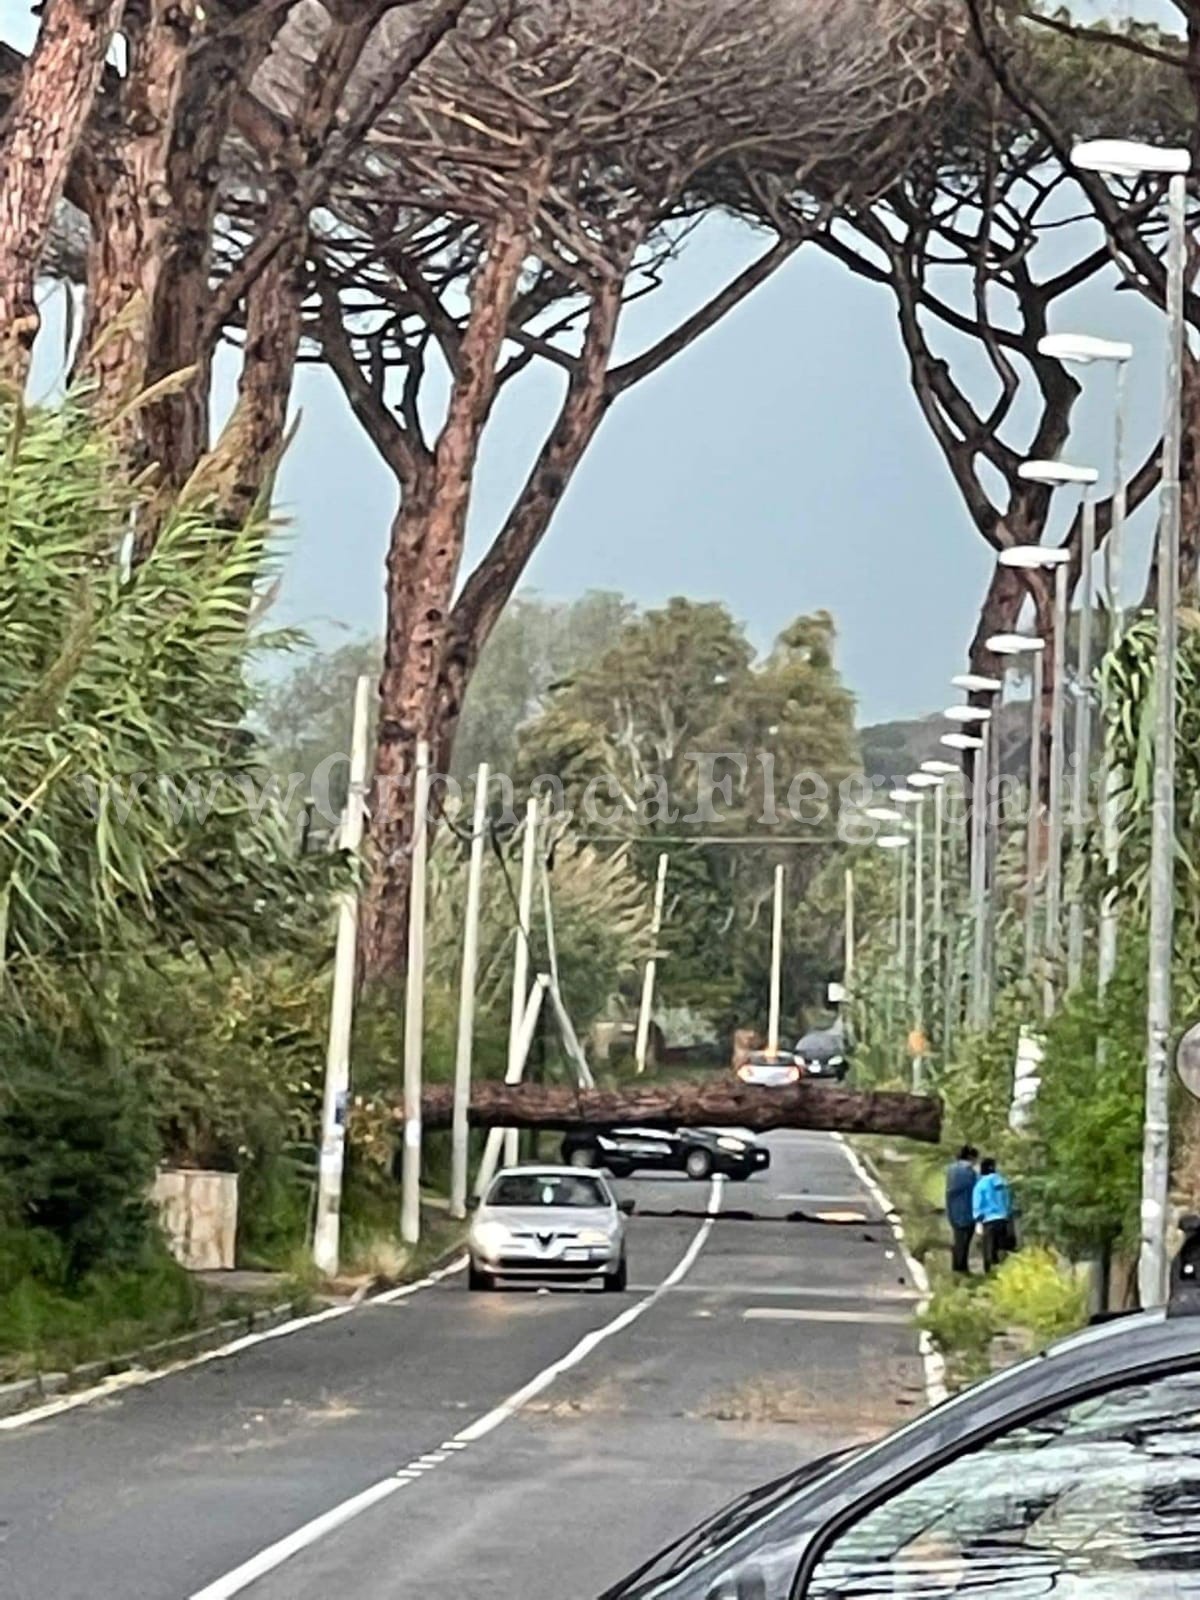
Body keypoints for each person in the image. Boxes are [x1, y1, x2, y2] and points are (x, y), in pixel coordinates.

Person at [974, 1156, 1014, 1273]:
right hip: (1003, 1219)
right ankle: (1004, 1271)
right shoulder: (1003, 1182)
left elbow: (977, 1204)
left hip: (988, 1220)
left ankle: (990, 1272)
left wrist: (978, 1220)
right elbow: (1008, 1200)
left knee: (989, 1248)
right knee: (1001, 1247)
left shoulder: (980, 1185)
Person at [945, 1145, 979, 1274]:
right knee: (964, 1242)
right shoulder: (969, 1172)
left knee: (958, 1239)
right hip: (967, 1210)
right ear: (971, 1157)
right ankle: (961, 1268)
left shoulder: (951, 1170)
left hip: (953, 1209)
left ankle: (958, 1267)